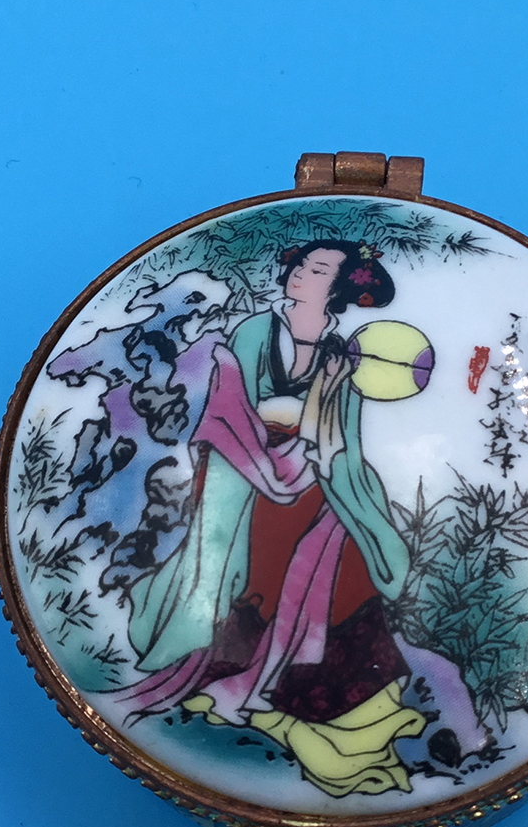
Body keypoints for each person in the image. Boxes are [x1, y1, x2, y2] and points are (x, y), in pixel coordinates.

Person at [108, 239, 426, 797]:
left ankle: (348, 699)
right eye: (301, 265)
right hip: (243, 473)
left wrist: (317, 449)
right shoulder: (256, 333)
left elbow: (341, 440)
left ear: (339, 288)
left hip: (315, 473)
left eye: (318, 269)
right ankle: (250, 674)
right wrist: (276, 465)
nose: (300, 274)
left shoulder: (340, 354)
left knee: (346, 553)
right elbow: (229, 410)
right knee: (260, 556)